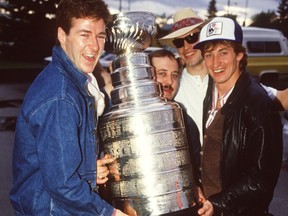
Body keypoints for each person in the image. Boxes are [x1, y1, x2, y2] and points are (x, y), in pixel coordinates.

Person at [9, 0, 127, 215]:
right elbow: (63, 186)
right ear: (63, 36)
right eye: (84, 35)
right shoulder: (61, 96)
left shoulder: (73, 81)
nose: (94, 46)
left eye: (100, 36)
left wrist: (91, 170)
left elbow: (57, 163)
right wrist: (109, 213)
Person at [193, 16, 283, 216]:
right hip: (211, 206)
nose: (215, 62)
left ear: (240, 54)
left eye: (223, 53)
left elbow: (261, 179)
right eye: (209, 54)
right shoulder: (212, 91)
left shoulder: (258, 104)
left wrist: (219, 203)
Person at [149, 49, 202, 190]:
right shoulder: (129, 116)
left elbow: (193, 169)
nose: (169, 82)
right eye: (162, 74)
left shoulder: (185, 121)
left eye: (175, 75)